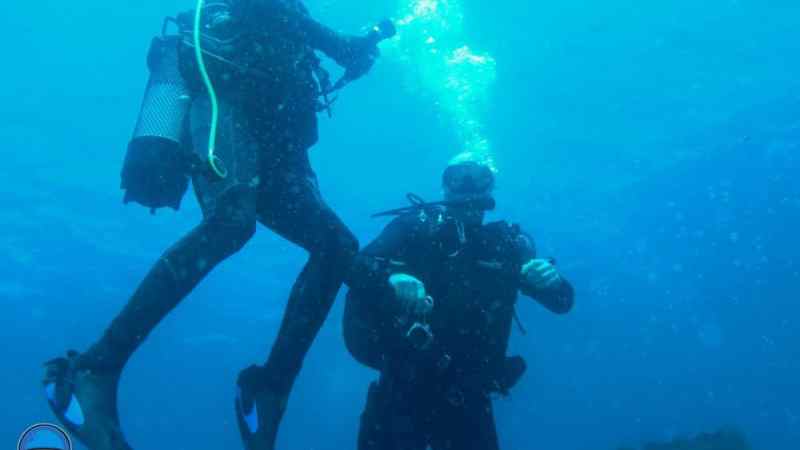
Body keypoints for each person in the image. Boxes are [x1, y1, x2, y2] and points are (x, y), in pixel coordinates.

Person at [42, 2, 393, 449]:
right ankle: (93, 369)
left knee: (338, 245)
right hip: (224, 98)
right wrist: (344, 45)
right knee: (232, 221)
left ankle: (271, 387)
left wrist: (347, 49)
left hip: (275, 136)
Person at [343, 160, 575, 450]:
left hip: (470, 397)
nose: (468, 185)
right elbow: (355, 267)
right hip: (402, 388)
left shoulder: (505, 245)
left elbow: (562, 302)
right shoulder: (414, 227)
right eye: (457, 177)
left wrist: (551, 280)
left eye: (480, 178)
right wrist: (392, 277)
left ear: (491, 186)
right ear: (444, 186)